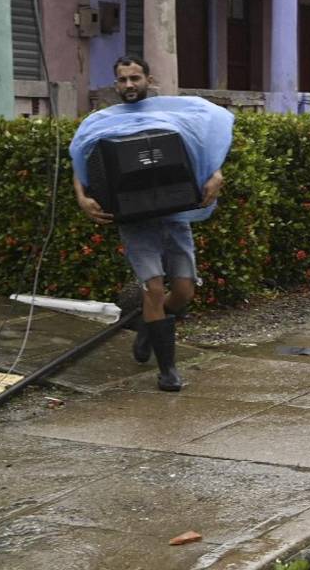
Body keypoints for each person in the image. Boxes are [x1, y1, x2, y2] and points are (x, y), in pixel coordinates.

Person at [70, 57, 232, 391]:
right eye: (122, 80)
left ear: (148, 79)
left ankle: (148, 324)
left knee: (183, 292)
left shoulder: (173, 114)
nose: (129, 85)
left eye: (135, 78)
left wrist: (216, 174)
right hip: (135, 220)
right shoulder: (101, 122)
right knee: (154, 289)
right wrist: (82, 198)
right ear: (116, 84)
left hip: (174, 216)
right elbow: (80, 158)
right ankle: (168, 370)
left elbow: (203, 146)